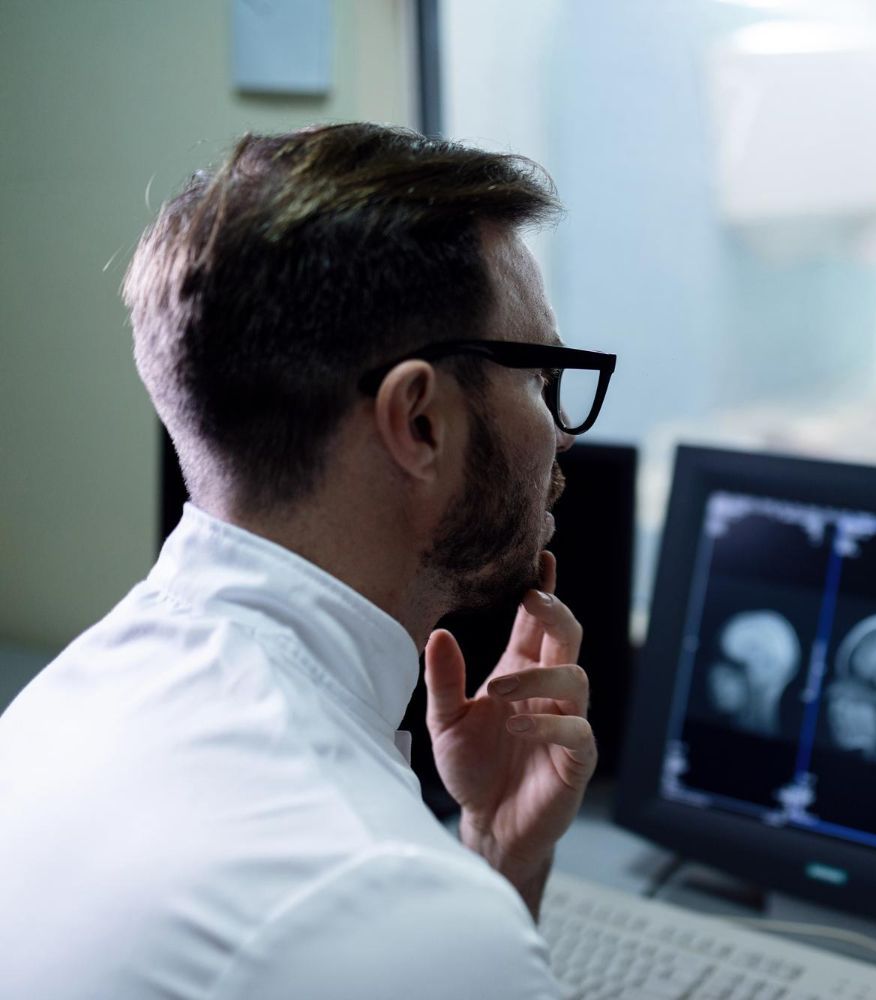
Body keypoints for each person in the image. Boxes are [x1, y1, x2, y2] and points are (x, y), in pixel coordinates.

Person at [0, 123, 617, 997]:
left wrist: (492, 861)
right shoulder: (383, 902)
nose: (558, 432)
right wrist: (463, 912)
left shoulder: (57, 708)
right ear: (420, 422)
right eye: (539, 376)